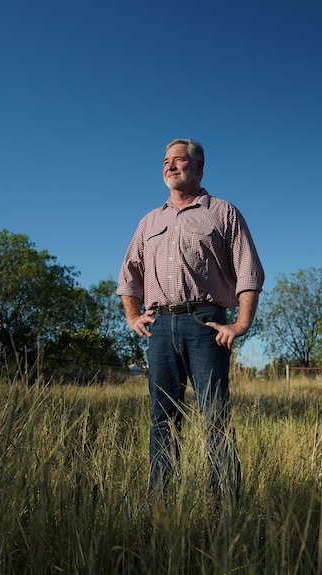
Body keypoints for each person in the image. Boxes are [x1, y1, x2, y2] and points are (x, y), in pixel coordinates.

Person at [117, 138, 265, 503]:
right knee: (162, 419)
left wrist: (241, 324)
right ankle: (162, 504)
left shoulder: (223, 213)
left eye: (179, 161)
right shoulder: (149, 220)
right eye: (165, 161)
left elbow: (249, 271)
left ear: (199, 168)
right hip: (161, 327)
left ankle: (224, 506)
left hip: (206, 324)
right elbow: (129, 274)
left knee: (214, 417)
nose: (170, 166)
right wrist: (133, 315)